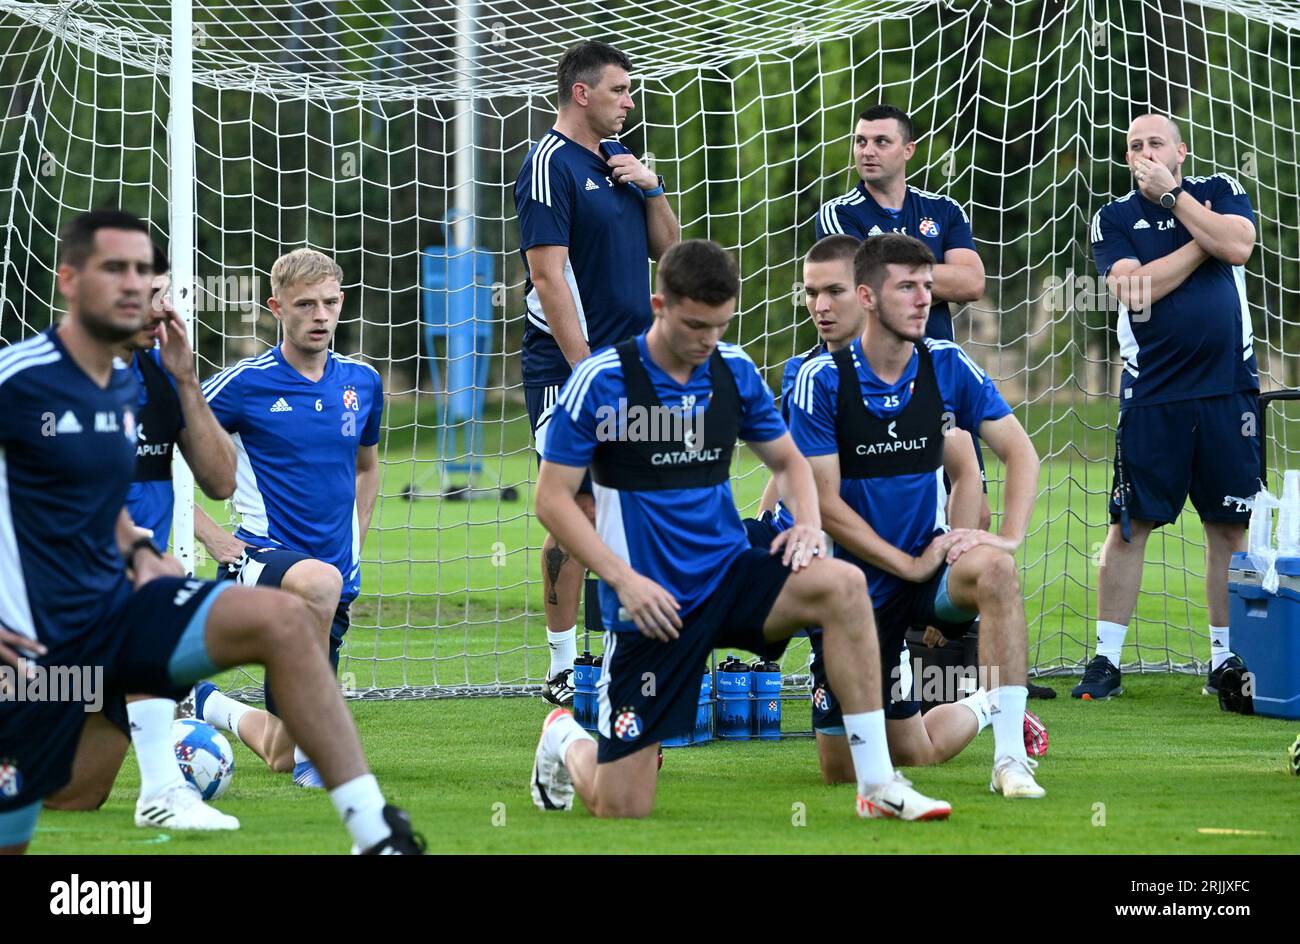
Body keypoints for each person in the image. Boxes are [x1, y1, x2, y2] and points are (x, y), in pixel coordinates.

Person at [0, 209, 420, 854]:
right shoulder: (20, 379)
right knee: (61, 801)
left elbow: (188, 487)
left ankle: (373, 831)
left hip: (115, 612)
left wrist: (139, 550)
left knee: (283, 623)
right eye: (118, 269)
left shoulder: (137, 382)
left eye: (147, 273)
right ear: (70, 282)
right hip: (35, 640)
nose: (138, 287)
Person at [528, 238, 951, 821]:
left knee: (843, 584)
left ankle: (878, 783)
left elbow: (791, 462)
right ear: (659, 304)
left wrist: (806, 523)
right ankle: (561, 736)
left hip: (730, 577)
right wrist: (622, 581)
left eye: (720, 326)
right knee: (620, 806)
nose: (708, 340)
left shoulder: (733, 369)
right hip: (651, 603)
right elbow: (551, 501)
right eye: (696, 325)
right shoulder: (603, 380)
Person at [789, 234, 1045, 797]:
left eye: (927, 286)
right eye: (908, 286)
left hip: (928, 569)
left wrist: (1002, 538)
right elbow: (824, 504)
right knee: (857, 770)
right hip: (854, 585)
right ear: (871, 297)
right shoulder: (819, 380)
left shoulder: (947, 364)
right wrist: (903, 564)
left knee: (997, 573)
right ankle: (984, 704)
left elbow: (1019, 452)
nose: (924, 298)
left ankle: (1010, 758)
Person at [44, 246, 242, 830]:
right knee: (164, 588)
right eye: (148, 296)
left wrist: (185, 382)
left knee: (73, 796)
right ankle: (163, 789)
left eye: (166, 295)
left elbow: (221, 479)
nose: (161, 309)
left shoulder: (162, 374)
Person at [515, 39, 680, 705]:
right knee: (576, 509)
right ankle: (560, 667)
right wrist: (586, 372)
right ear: (581, 93)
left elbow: (672, 253)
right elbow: (547, 275)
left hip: (632, 366)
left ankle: (621, 660)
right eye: (619, 90)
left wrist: (654, 188)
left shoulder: (617, 163)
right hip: (566, 368)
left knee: (631, 506)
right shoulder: (548, 163)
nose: (629, 102)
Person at [185, 248, 385, 790]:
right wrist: (212, 536)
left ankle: (207, 702)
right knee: (318, 582)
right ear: (276, 308)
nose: (320, 316)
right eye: (305, 305)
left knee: (281, 749)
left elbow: (368, 469)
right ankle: (322, 756)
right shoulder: (243, 383)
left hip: (332, 581)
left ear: (342, 302)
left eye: (329, 303)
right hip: (257, 558)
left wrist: (355, 543)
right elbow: (158, 456)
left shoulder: (363, 383)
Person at [1078, 114, 1258, 702]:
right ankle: (1106, 660)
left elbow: (1238, 244)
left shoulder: (1221, 189)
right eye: (1134, 146)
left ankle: (1226, 658)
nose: (1144, 152)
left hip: (1229, 389)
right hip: (1153, 392)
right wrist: (1201, 247)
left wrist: (1179, 203)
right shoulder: (1114, 218)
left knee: (1229, 526)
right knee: (1131, 525)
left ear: (1181, 149)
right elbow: (1134, 290)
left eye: (1155, 142)